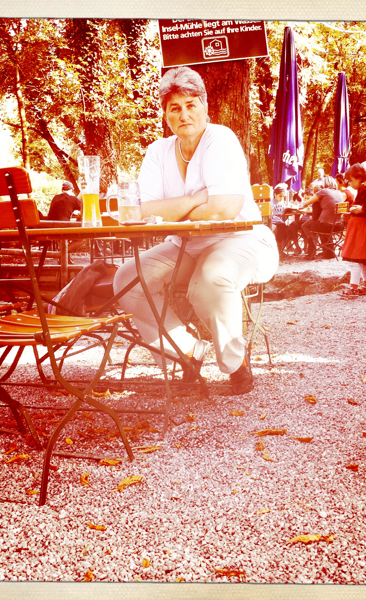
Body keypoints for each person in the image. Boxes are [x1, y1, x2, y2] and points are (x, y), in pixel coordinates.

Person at [113, 66, 279, 395]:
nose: (184, 114)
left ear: (205, 107)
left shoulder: (221, 139)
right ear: (166, 115)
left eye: (191, 105)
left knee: (211, 277)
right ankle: (188, 352)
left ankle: (235, 363)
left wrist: (173, 209)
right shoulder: (157, 152)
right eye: (175, 108)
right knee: (128, 280)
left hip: (241, 239)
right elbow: (142, 209)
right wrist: (195, 199)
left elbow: (223, 209)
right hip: (185, 244)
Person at [339, 164, 366, 297]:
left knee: (356, 258)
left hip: (363, 230)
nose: (350, 184)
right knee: (362, 261)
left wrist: (363, 209)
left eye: (351, 180)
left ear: (359, 178)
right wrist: (350, 214)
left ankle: (353, 287)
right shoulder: (361, 191)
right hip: (358, 228)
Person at [298, 176, 343, 260]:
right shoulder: (339, 192)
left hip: (326, 226)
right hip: (338, 225)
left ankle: (311, 252)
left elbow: (306, 203)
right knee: (320, 223)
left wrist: (299, 205)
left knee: (305, 225)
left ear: (324, 184)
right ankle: (329, 253)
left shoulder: (324, 191)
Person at [270, 182, 289, 256]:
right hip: (274, 221)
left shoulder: (282, 203)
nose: (281, 198)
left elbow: (284, 213)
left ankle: (281, 250)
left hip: (281, 221)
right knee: (280, 230)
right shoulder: (271, 203)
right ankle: (278, 251)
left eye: (283, 197)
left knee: (286, 230)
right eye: (280, 196)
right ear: (275, 194)